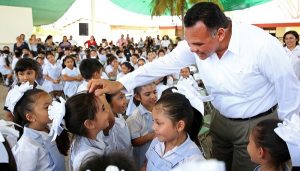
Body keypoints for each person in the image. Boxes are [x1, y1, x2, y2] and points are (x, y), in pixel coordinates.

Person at [87, 2, 300, 171]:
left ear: (220, 34)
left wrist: (291, 145)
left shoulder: (261, 46)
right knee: (218, 165)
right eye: (189, 44)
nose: (193, 51)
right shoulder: (195, 43)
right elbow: (162, 64)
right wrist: (120, 82)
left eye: (198, 45)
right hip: (221, 121)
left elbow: (290, 93)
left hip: (255, 126)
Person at [143, 93, 205, 171]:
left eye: (158, 123)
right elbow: (146, 164)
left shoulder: (194, 161)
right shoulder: (156, 142)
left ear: (179, 126)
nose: (153, 127)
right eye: (153, 121)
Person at [12, 88, 69, 171]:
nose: (53, 108)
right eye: (47, 107)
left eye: (52, 103)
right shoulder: (26, 147)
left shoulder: (50, 126)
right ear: (31, 117)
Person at [64, 92, 114, 171]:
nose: (107, 111)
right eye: (103, 109)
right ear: (89, 124)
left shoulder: (91, 134)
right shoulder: (88, 159)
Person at [126, 83, 157, 169]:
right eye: (147, 94)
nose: (153, 96)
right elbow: (134, 141)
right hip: (143, 155)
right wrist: (153, 135)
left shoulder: (158, 109)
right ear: (137, 97)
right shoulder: (135, 117)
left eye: (155, 92)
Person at [99, 91, 132, 155]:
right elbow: (111, 119)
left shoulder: (118, 114)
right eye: (121, 97)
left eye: (124, 96)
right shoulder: (108, 122)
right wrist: (101, 93)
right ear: (107, 102)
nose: (125, 101)